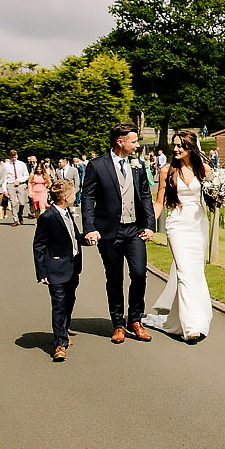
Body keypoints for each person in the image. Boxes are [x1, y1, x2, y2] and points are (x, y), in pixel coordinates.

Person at [81, 124, 156, 344]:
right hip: (109, 231)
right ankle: (118, 324)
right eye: (133, 141)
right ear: (120, 142)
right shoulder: (97, 166)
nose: (137, 145)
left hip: (134, 229)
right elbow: (87, 198)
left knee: (140, 274)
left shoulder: (138, 165)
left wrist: (150, 225)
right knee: (114, 279)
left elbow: (145, 196)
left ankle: (135, 319)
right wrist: (90, 228)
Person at [142, 130, 213, 343]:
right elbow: (159, 202)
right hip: (177, 225)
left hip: (198, 224)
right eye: (174, 145)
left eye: (180, 145)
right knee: (183, 271)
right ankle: (192, 327)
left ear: (191, 147)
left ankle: (179, 320)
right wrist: (150, 225)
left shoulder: (204, 170)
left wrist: (221, 195)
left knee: (195, 272)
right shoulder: (167, 170)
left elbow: (212, 197)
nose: (176, 149)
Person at [33, 180, 89, 362]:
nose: (75, 197)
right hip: (55, 269)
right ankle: (59, 343)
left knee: (69, 301)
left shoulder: (68, 214)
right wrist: (42, 272)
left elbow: (73, 237)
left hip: (73, 267)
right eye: (73, 195)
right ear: (66, 197)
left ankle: (63, 330)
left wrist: (87, 239)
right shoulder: (48, 217)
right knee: (58, 305)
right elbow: (39, 245)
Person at [4, 150, 30, 226]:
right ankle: (15, 219)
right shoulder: (6, 165)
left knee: (22, 202)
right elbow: (4, 177)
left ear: (17, 156)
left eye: (15, 157)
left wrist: (20, 180)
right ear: (9, 157)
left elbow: (26, 175)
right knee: (13, 203)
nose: (13, 159)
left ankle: (20, 213)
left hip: (20, 183)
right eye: (12, 157)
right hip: (10, 183)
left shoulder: (21, 164)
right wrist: (5, 189)